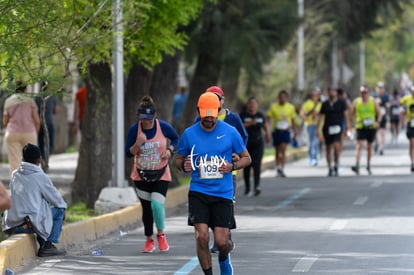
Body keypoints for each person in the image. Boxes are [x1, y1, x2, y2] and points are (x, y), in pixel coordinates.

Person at [174, 92, 251, 275]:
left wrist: (233, 165)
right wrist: (183, 166)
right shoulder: (189, 134)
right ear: (198, 112)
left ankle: (224, 257)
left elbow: (247, 158)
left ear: (218, 111)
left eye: (212, 114)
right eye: (205, 114)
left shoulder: (230, 132)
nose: (209, 118)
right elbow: (177, 160)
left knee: (221, 242)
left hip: (222, 193)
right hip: (198, 191)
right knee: (201, 237)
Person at [125, 95, 179, 253]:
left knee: (157, 204)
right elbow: (128, 153)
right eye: (143, 118)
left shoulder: (163, 127)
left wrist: (170, 150)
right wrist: (138, 144)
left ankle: (161, 234)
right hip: (141, 174)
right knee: (147, 209)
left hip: (161, 172)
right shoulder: (135, 130)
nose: (146, 122)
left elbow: (176, 139)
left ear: (154, 115)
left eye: (149, 118)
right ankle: (149, 239)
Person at [2, 143, 67, 257]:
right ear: (39, 160)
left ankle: (43, 242)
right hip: (30, 223)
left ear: (22, 159)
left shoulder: (15, 174)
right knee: (60, 209)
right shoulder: (40, 176)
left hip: (14, 223)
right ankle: (47, 245)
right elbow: (56, 199)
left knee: (38, 210)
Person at [3, 81, 40, 176]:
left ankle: (16, 185)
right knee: (32, 160)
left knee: (14, 161)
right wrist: (36, 131)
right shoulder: (30, 100)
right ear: (25, 89)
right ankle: (31, 183)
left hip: (12, 132)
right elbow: (36, 120)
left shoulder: (9, 101)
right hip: (29, 132)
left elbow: (5, 121)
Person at [239, 96, 270, 196]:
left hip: (258, 143)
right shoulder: (242, 115)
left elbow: (265, 126)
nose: (252, 105)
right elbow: (239, 127)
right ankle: (247, 188)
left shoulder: (260, 115)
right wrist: (249, 123)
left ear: (257, 105)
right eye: (250, 103)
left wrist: (268, 134)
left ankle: (257, 186)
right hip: (246, 144)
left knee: (257, 165)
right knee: (246, 165)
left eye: (254, 103)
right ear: (247, 105)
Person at [318, 87, 350, 176]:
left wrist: (348, 127)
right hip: (327, 128)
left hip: (338, 127)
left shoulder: (341, 103)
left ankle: (336, 163)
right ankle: (329, 167)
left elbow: (346, 115)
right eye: (329, 91)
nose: (331, 93)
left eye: (333, 91)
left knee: (336, 145)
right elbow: (320, 117)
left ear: (336, 93)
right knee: (328, 148)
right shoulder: (325, 104)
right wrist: (318, 129)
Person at [350, 85, 382, 175]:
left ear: (369, 93)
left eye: (365, 92)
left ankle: (368, 165)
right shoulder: (356, 102)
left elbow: (379, 114)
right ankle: (357, 165)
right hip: (360, 126)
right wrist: (351, 126)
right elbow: (351, 114)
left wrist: (377, 122)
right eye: (362, 92)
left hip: (371, 127)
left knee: (369, 146)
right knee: (359, 145)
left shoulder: (373, 101)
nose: (363, 94)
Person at [266, 90, 298, 177]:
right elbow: (268, 119)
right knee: (277, 150)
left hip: (285, 131)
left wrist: (294, 132)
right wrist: (267, 130)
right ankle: (278, 167)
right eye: (281, 97)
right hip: (277, 130)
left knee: (283, 148)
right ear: (278, 98)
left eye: (284, 97)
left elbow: (293, 120)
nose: (282, 99)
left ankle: (282, 168)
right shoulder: (273, 107)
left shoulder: (290, 107)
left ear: (287, 98)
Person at [35, 81, 59, 161]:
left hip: (40, 123)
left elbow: (35, 111)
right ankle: (47, 156)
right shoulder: (53, 96)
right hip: (49, 122)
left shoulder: (37, 97)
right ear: (48, 86)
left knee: (41, 143)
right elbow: (56, 111)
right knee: (50, 142)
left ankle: (43, 158)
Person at [300, 88, 322, 166]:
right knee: (310, 142)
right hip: (309, 124)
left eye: (317, 95)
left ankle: (314, 157)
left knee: (316, 142)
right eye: (314, 95)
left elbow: (322, 115)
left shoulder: (320, 104)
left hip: (318, 125)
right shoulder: (307, 103)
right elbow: (302, 114)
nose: (315, 96)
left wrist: (317, 114)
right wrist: (306, 117)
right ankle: (311, 157)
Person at [399, 85, 414, 172]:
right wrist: (403, 111)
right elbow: (399, 104)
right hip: (410, 124)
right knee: (412, 143)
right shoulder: (407, 99)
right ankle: (412, 163)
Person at [374, 82, 390, 155]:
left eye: (381, 88)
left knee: (382, 132)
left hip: (383, 116)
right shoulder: (373, 96)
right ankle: (376, 143)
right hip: (375, 116)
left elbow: (388, 105)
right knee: (375, 132)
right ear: (376, 88)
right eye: (379, 88)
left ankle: (381, 148)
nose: (380, 89)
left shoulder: (386, 96)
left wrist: (387, 105)